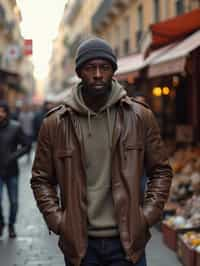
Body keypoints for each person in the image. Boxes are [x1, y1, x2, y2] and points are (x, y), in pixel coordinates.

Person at [31, 37, 173, 266]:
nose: (98, 74)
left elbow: (161, 171)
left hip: (127, 244)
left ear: (113, 72)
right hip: (81, 245)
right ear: (80, 72)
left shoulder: (139, 116)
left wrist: (147, 216)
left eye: (104, 68)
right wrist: (59, 222)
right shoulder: (56, 123)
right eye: (90, 68)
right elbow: (41, 179)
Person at [0, 100, 30, 238]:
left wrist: (13, 156)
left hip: (12, 171)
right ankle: (1, 223)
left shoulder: (15, 127)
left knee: (14, 202)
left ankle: (11, 225)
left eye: (2, 111)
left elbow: (26, 145)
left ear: (7, 112)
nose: (0, 114)